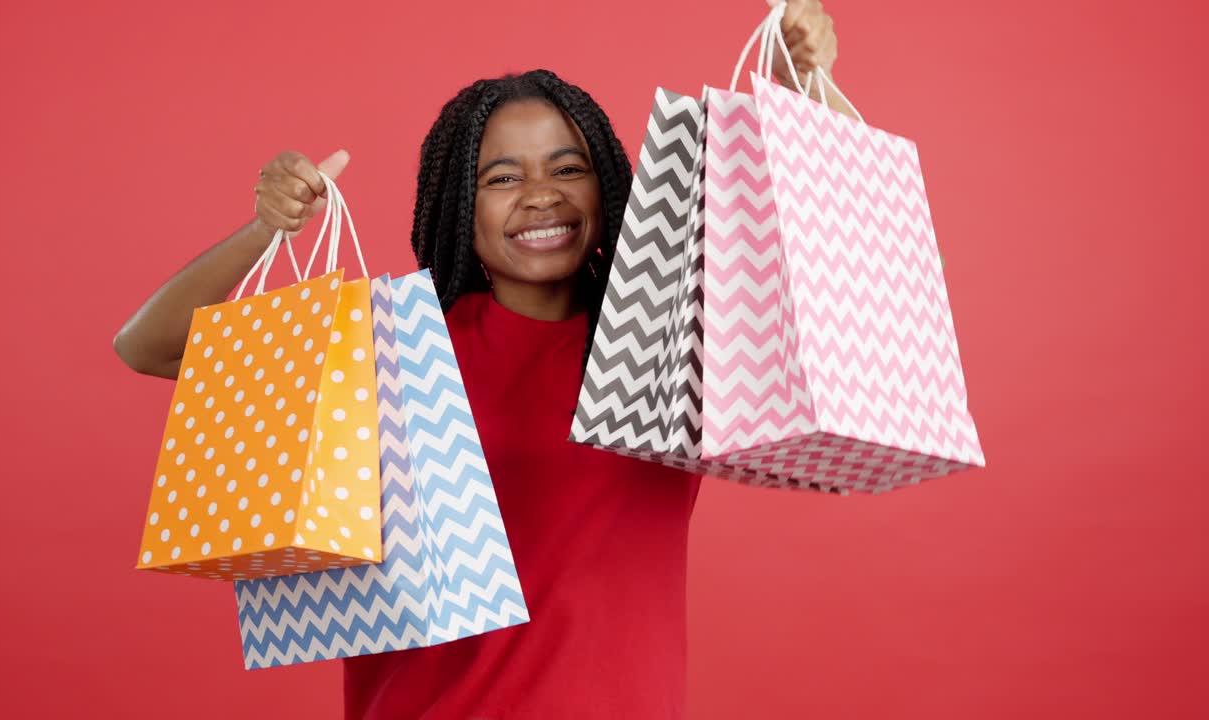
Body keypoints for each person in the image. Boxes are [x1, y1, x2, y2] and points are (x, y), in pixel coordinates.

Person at [113, 1, 857, 716]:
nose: (541, 197)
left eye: (567, 169)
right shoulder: (399, 348)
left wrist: (802, 98)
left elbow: (836, 269)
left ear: (607, 184)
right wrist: (264, 230)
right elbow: (147, 344)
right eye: (502, 178)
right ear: (458, 206)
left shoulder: (670, 340)